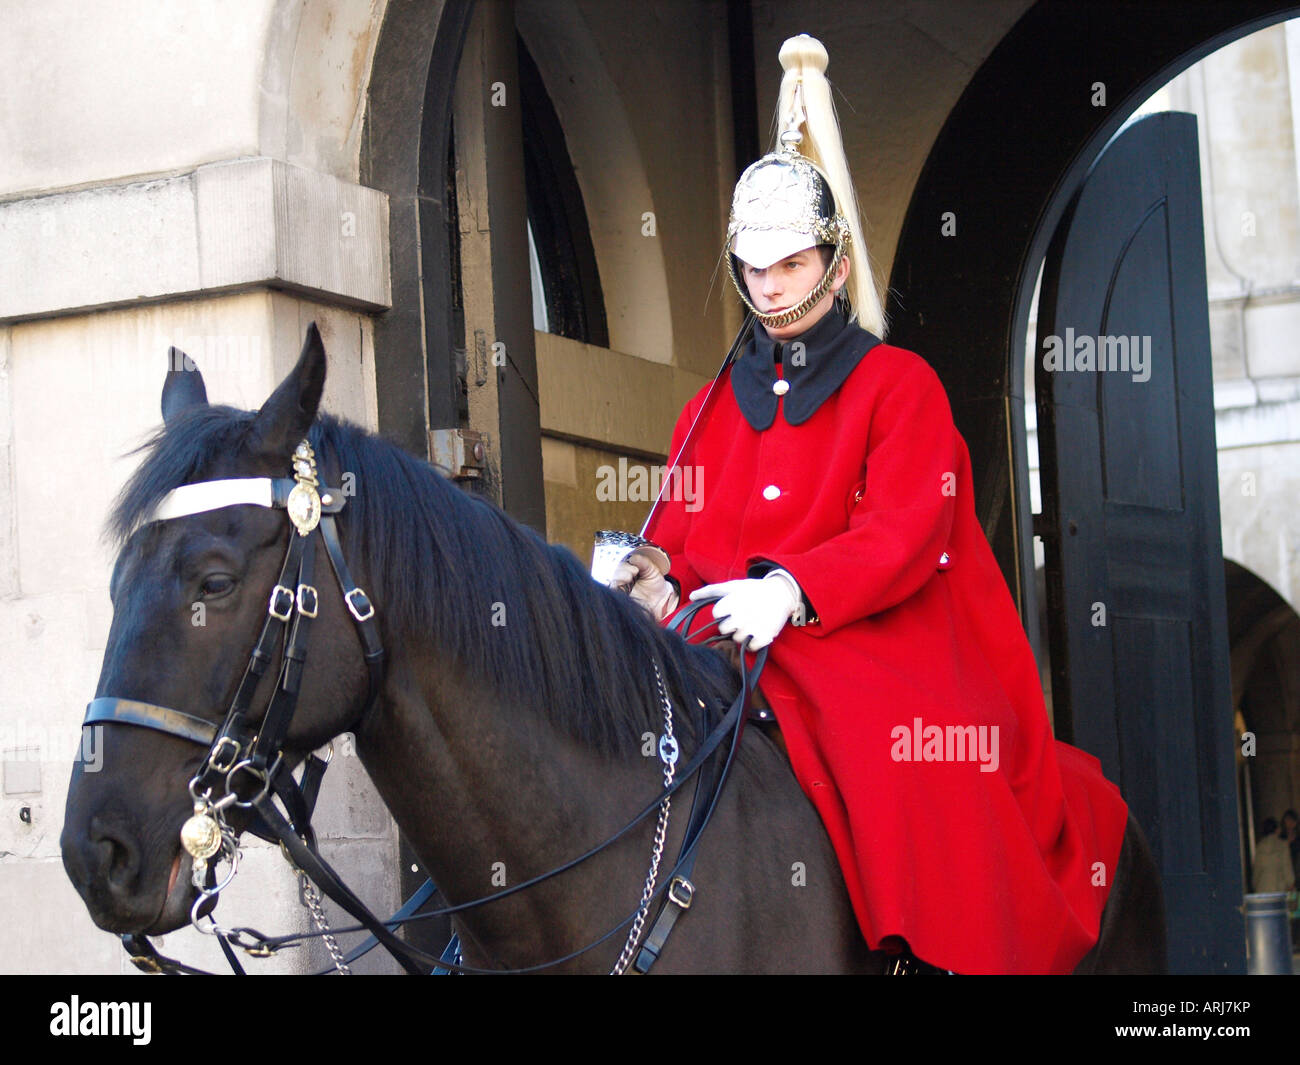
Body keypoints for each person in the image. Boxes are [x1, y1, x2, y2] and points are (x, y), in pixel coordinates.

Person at [610, 34, 1130, 975]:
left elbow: (907, 533)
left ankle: (914, 953)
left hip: (860, 635)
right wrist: (645, 574)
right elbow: (680, 542)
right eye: (754, 266)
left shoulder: (899, 387)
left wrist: (793, 590)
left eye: (791, 264)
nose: (769, 286)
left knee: (900, 751)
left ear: (835, 266)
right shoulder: (708, 405)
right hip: (725, 637)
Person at [1252, 817, 1295, 894]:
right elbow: (1286, 867)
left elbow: (1256, 872)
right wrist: (1291, 884)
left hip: (1262, 889)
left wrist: (1255, 885)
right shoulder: (1282, 845)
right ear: (1277, 829)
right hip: (1279, 889)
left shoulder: (1259, 846)